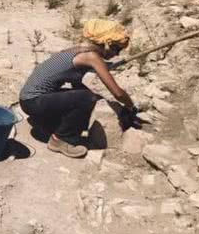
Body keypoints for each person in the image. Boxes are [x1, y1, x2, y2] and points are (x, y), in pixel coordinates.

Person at [19, 19, 137, 158]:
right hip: (33, 102)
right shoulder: (91, 57)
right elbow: (117, 93)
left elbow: (75, 83)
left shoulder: (76, 50)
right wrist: (131, 106)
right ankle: (61, 140)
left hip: (28, 100)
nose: (116, 54)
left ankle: (46, 123)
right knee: (87, 98)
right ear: (106, 43)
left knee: (84, 96)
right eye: (116, 49)